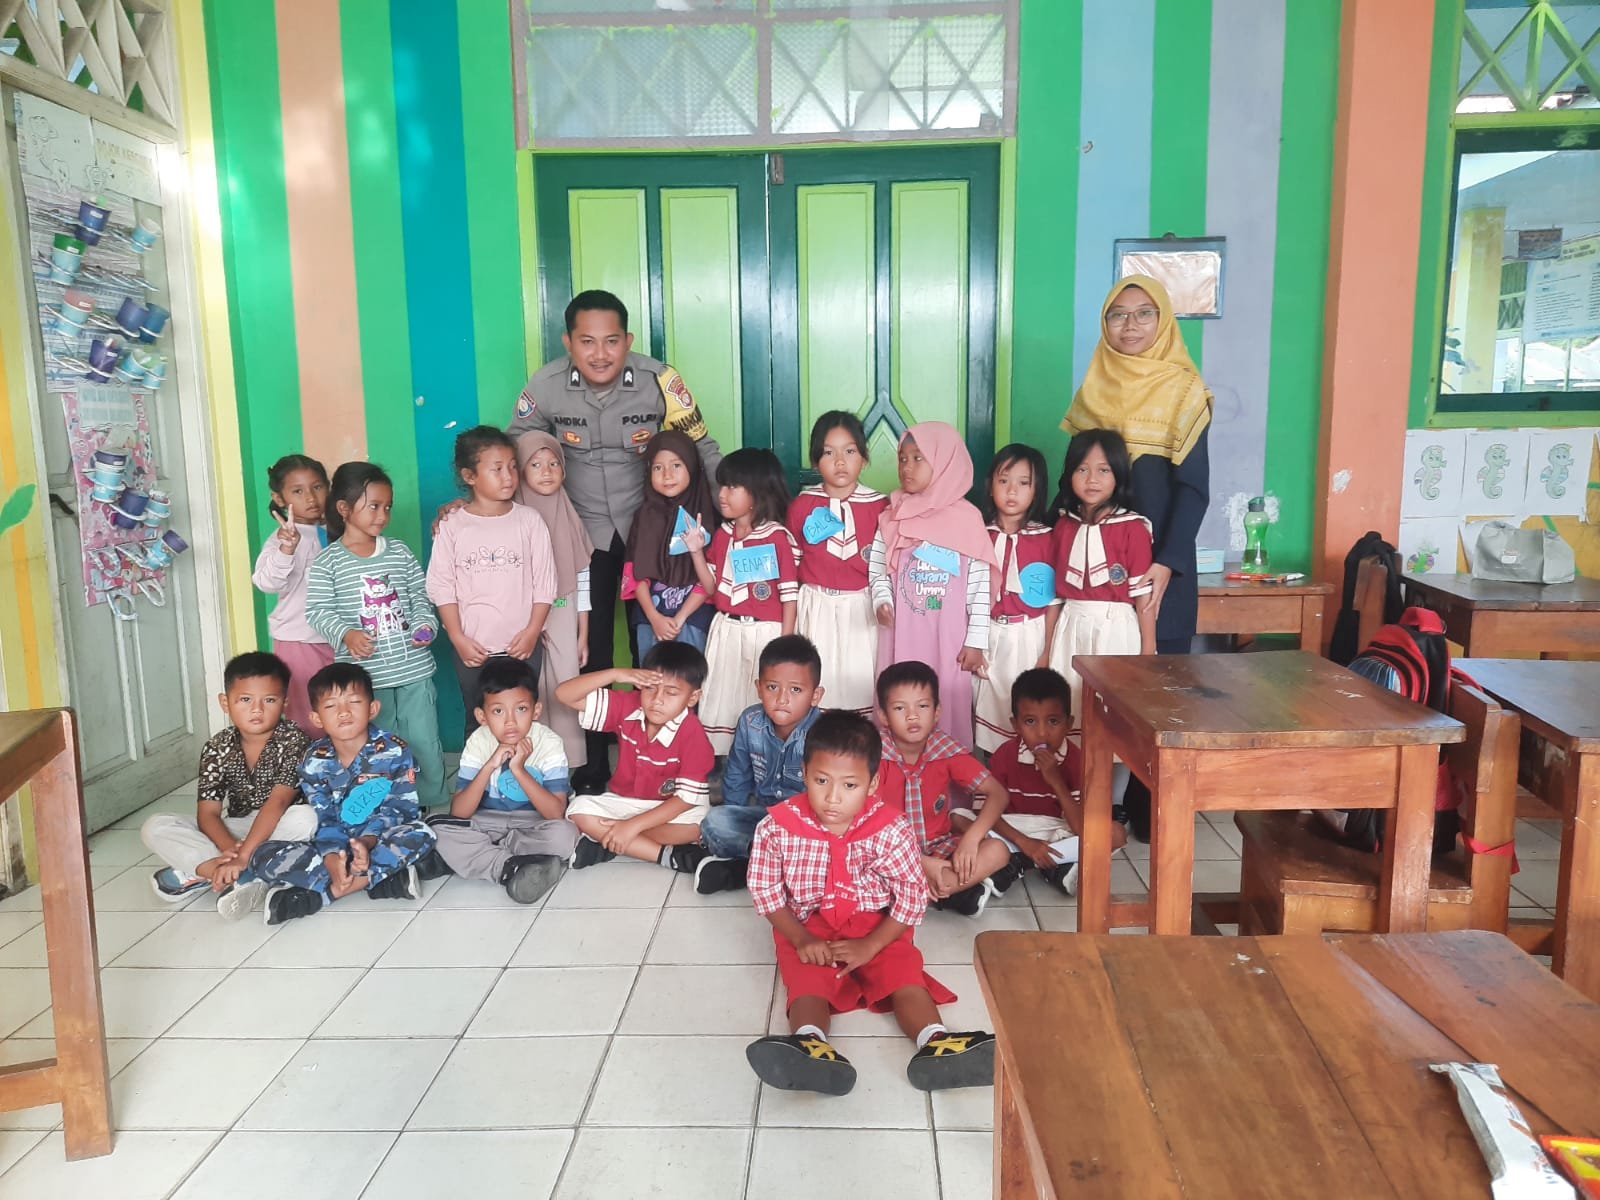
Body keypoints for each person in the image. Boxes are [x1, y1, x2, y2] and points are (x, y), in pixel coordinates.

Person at [505, 290, 722, 790]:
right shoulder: (546, 385)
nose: (600, 353)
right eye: (587, 342)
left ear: (628, 340)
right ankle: (594, 764)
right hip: (583, 534)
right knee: (591, 647)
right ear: (568, 342)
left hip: (653, 532)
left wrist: (736, 510)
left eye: (611, 341)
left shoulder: (658, 380)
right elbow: (515, 450)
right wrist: (478, 505)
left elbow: (702, 445)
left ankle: (667, 756)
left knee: (659, 643)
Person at [744, 710, 996, 1096]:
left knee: (903, 975)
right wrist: (800, 939)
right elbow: (766, 891)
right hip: (808, 926)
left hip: (878, 924)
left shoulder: (891, 828)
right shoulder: (776, 827)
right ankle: (809, 1044)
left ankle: (936, 1041)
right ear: (804, 772)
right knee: (807, 981)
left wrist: (872, 945)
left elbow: (911, 896)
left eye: (850, 785)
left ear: (873, 783)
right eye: (821, 780)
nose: (833, 797)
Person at [1059, 274, 1211, 840]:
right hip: (1096, 574)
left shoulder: (1184, 390)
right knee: (1094, 686)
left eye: (1144, 313)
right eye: (1118, 314)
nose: (1130, 325)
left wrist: (1166, 563)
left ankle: (1153, 812)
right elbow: (1075, 481)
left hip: (1159, 570)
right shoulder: (1093, 391)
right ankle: (1098, 800)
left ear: (1163, 321)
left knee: (1157, 688)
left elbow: (1193, 490)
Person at [218, 663, 438, 925]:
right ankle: (378, 880)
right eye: (331, 706)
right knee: (262, 853)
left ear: (372, 709)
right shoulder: (313, 760)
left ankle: (323, 894)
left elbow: (401, 810)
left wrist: (367, 842)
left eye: (354, 702)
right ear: (317, 719)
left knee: (422, 833)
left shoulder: (395, 751)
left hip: (379, 839)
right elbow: (324, 819)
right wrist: (333, 857)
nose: (344, 712)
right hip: (333, 843)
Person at [306, 461, 447, 808]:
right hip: (366, 681)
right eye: (373, 506)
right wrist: (346, 634)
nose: (382, 515)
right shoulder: (328, 563)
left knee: (424, 738)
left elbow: (420, 596)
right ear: (344, 508)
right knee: (376, 744)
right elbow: (317, 611)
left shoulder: (399, 551)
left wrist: (425, 626)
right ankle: (384, 802)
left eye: (387, 507)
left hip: (413, 670)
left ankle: (429, 800)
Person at [141, 651, 317, 903]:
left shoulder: (295, 741)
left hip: (279, 823)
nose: (256, 709)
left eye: (269, 700)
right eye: (245, 699)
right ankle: (222, 871)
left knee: (306, 818)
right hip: (237, 828)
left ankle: (202, 871)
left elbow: (278, 803)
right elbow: (208, 813)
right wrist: (230, 851)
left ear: (284, 703)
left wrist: (243, 854)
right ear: (225, 703)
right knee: (156, 826)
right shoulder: (217, 746)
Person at [869, 423, 996, 747]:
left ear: (944, 461)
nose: (906, 467)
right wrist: (882, 601)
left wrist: (976, 641)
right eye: (902, 458)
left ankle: (947, 773)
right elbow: (879, 569)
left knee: (946, 701)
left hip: (948, 638)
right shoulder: (894, 515)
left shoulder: (967, 520)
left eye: (918, 458)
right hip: (902, 633)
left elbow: (980, 587)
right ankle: (895, 772)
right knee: (900, 700)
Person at [426, 426, 557, 736]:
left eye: (512, 466)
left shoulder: (529, 521)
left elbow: (545, 584)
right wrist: (457, 637)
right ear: (469, 476)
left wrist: (532, 632)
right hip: (473, 648)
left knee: (523, 724)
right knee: (479, 723)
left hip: (523, 646)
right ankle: (480, 770)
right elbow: (442, 587)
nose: (508, 476)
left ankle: (522, 769)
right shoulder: (452, 525)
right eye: (497, 469)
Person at [554, 641, 715, 873]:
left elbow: (685, 800)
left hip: (670, 807)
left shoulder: (693, 733)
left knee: (699, 827)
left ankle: (608, 841)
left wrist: (631, 827)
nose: (657, 700)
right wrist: (616, 673)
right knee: (578, 810)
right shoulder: (629, 705)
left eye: (671, 693)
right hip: (626, 802)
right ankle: (666, 856)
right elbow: (564, 694)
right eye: (650, 688)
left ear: (693, 698)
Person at [429, 658, 577, 904]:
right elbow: (460, 812)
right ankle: (509, 866)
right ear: (482, 716)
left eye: (521, 709)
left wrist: (519, 770)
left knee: (566, 835)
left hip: (533, 823)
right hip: (486, 822)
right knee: (437, 830)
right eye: (498, 711)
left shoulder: (549, 743)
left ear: (536, 711)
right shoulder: (479, 741)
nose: (510, 721)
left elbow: (555, 813)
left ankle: (487, 856)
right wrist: (489, 766)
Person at [875, 661, 1017, 917]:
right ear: (884, 716)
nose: (912, 716)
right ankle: (953, 891)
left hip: (939, 848)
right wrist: (921, 863)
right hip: (888, 852)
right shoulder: (873, 755)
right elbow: (860, 823)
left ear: (937, 711)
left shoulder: (944, 749)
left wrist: (971, 839)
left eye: (922, 706)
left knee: (997, 851)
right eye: (899, 708)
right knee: (856, 866)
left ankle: (928, 891)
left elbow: (998, 794)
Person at [684, 448, 799, 755]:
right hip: (726, 629)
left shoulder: (776, 536)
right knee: (725, 694)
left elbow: (789, 596)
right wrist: (696, 551)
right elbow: (711, 586)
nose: (722, 494)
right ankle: (726, 764)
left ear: (758, 492)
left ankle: (762, 762)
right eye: (722, 485)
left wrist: (785, 645)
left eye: (733, 487)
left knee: (758, 696)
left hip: (765, 633)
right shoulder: (724, 534)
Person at [978, 667, 1127, 897]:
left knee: (1116, 833)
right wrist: (1024, 842)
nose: (1042, 733)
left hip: (1058, 830)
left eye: (1053, 721)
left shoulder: (1077, 761)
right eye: (1030, 721)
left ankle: (1019, 863)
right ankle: (1053, 866)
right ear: (1015, 725)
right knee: (959, 818)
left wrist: (1057, 782)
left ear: (1069, 723)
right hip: (1014, 829)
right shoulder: (1005, 755)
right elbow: (986, 814)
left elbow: (1081, 828)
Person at [695, 635, 824, 895]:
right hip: (764, 817)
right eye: (772, 687)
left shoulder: (824, 731)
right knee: (715, 822)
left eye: (796, 690)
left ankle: (746, 868)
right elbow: (737, 776)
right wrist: (735, 812)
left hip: (806, 824)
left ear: (815, 695)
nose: (782, 699)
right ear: (758, 687)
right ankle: (781, 864)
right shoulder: (750, 721)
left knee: (831, 840)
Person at [1046, 429, 1157, 722]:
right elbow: (1055, 596)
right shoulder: (1063, 526)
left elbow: (1143, 596)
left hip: (1115, 628)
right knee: (1069, 704)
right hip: (1070, 625)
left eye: (1103, 470)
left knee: (1113, 710)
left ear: (1118, 474)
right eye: (1082, 469)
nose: (1092, 479)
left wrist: (1148, 649)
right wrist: (1047, 648)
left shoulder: (1133, 528)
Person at [787, 411, 888, 716]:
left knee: (861, 685)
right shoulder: (803, 505)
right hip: (815, 606)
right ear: (815, 461)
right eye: (829, 453)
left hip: (862, 610)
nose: (840, 462)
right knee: (818, 684)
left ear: (864, 458)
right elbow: (791, 566)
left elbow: (887, 567)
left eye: (850, 451)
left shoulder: (881, 507)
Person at [973, 444, 1061, 753]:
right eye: (1003, 481)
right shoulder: (976, 534)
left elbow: (1053, 603)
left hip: (1029, 635)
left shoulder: (1047, 538)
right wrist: (973, 643)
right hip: (986, 632)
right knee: (987, 711)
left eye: (1024, 483)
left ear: (1037, 490)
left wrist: (1046, 652)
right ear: (990, 485)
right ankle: (992, 777)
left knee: (1027, 713)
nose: (1012, 491)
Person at [516, 430, 594, 773]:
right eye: (535, 464)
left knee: (565, 684)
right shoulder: (513, 515)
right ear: (520, 470)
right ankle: (530, 762)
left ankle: (568, 764)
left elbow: (582, 575)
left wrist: (582, 633)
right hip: (521, 608)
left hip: (563, 606)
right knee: (528, 684)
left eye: (553, 464)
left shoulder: (569, 513)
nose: (546, 472)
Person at [251, 454, 333, 732]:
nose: (310, 497)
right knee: (308, 716)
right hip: (299, 640)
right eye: (298, 491)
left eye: (317, 487)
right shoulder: (283, 538)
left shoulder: (334, 532)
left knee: (337, 710)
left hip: (336, 637)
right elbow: (265, 582)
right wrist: (286, 549)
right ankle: (308, 759)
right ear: (279, 498)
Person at [625, 429, 720, 659]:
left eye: (676, 465)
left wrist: (681, 617)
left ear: (692, 467)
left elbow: (713, 577)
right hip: (651, 620)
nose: (667, 475)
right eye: (658, 468)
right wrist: (654, 617)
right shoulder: (644, 517)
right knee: (652, 675)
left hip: (694, 618)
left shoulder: (708, 515)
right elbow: (634, 572)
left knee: (691, 676)